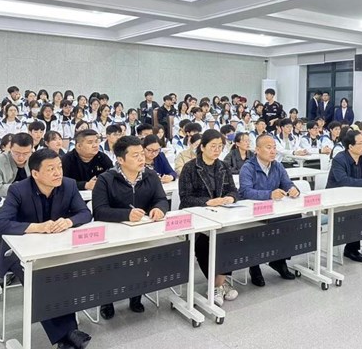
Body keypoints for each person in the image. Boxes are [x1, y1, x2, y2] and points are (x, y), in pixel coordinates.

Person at [0, 149, 92, 349]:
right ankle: (68, 334)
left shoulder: (69, 185)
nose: (58, 173)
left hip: (53, 249)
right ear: (35, 173)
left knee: (62, 275)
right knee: (41, 278)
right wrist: (37, 227)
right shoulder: (19, 190)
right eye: (51, 169)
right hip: (18, 254)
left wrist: (68, 222)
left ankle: (68, 336)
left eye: (59, 167)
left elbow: (85, 213)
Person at [92, 136, 169, 320]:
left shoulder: (151, 175)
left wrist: (160, 209)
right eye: (135, 155)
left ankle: (136, 296)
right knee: (111, 266)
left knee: (141, 262)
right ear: (120, 159)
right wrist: (126, 214)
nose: (142, 158)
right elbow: (99, 211)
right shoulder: (106, 179)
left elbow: (161, 199)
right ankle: (107, 301)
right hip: (114, 234)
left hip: (142, 232)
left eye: (142, 154)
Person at [179, 129, 240, 306]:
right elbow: (185, 198)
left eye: (220, 146)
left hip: (220, 216)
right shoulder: (190, 168)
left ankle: (217, 284)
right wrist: (207, 202)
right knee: (203, 244)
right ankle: (219, 285)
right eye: (213, 146)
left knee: (231, 239)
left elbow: (233, 190)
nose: (217, 150)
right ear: (202, 147)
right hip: (195, 218)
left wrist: (230, 198)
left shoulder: (223, 166)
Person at [239, 134, 299, 286]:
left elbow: (287, 183)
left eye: (274, 147)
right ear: (257, 150)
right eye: (268, 147)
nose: (273, 151)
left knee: (293, 219)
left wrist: (292, 189)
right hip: (253, 212)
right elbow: (245, 192)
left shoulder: (277, 166)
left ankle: (280, 260)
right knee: (256, 230)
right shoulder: (248, 167)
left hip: (275, 210)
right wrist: (269, 194)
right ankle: (254, 266)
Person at [326, 130, 362, 262]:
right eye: (360, 143)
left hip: (359, 197)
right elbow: (343, 181)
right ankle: (351, 249)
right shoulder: (339, 159)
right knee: (357, 212)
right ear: (350, 146)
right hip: (337, 199)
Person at [0, 133, 33, 255]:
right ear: (10, 148)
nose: (21, 157)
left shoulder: (36, 160)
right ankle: (0, 260)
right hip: (4, 206)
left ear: (31, 150)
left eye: (26, 153)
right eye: (16, 153)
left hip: (32, 204)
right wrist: (22, 188)